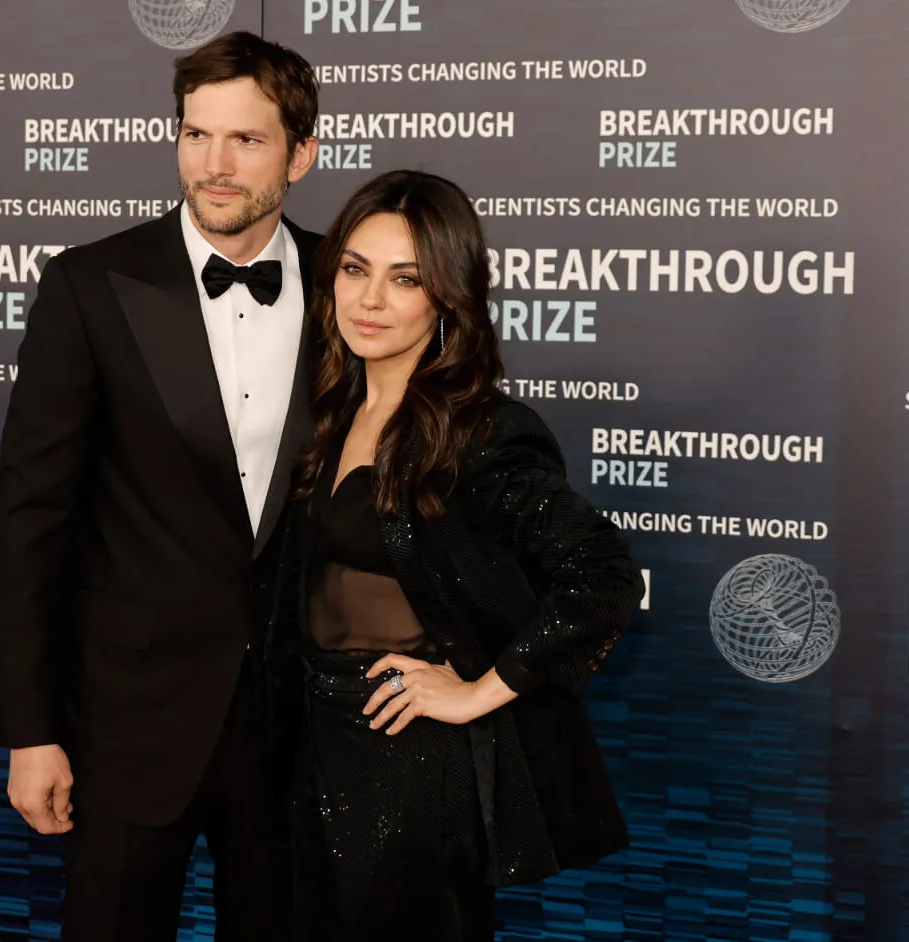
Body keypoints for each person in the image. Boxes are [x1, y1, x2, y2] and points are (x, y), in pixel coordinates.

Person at [0, 31, 321, 941]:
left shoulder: (349, 290)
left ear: (301, 153)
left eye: (246, 140)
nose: (214, 165)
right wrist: (31, 730)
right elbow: (32, 522)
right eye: (196, 134)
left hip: (297, 732)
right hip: (126, 724)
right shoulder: (91, 286)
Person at [269, 169, 645, 941]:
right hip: (308, 742)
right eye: (355, 269)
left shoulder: (479, 432)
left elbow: (603, 577)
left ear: (447, 298)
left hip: (411, 761)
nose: (371, 299)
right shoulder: (326, 410)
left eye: (405, 279)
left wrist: (477, 691)